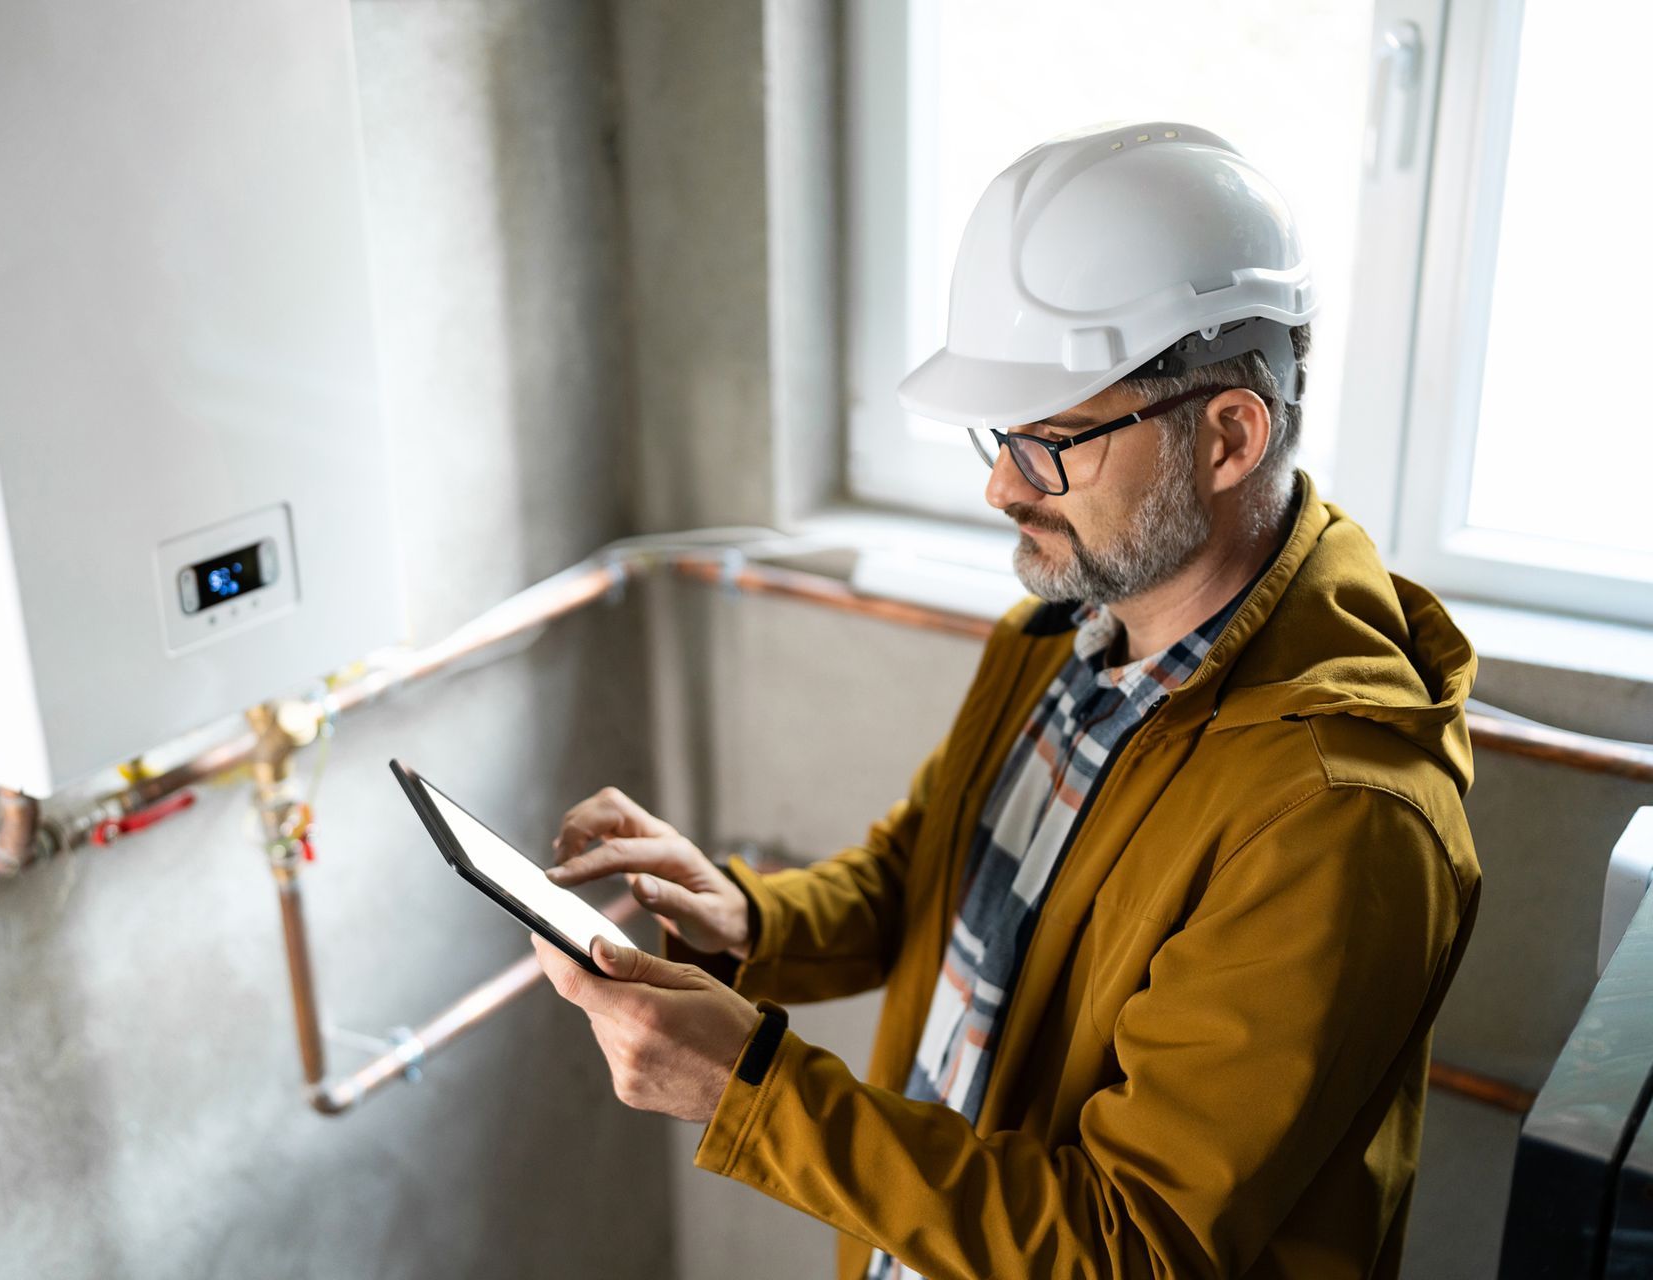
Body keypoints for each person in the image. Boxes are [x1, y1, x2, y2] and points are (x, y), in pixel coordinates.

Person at [529, 121, 1480, 1279]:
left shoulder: (1341, 816)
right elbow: (930, 873)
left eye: (1050, 439)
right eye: (999, 433)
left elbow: (1133, 1244)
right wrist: (748, 918)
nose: (998, 483)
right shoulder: (1076, 621)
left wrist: (754, 1092)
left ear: (1229, 436)